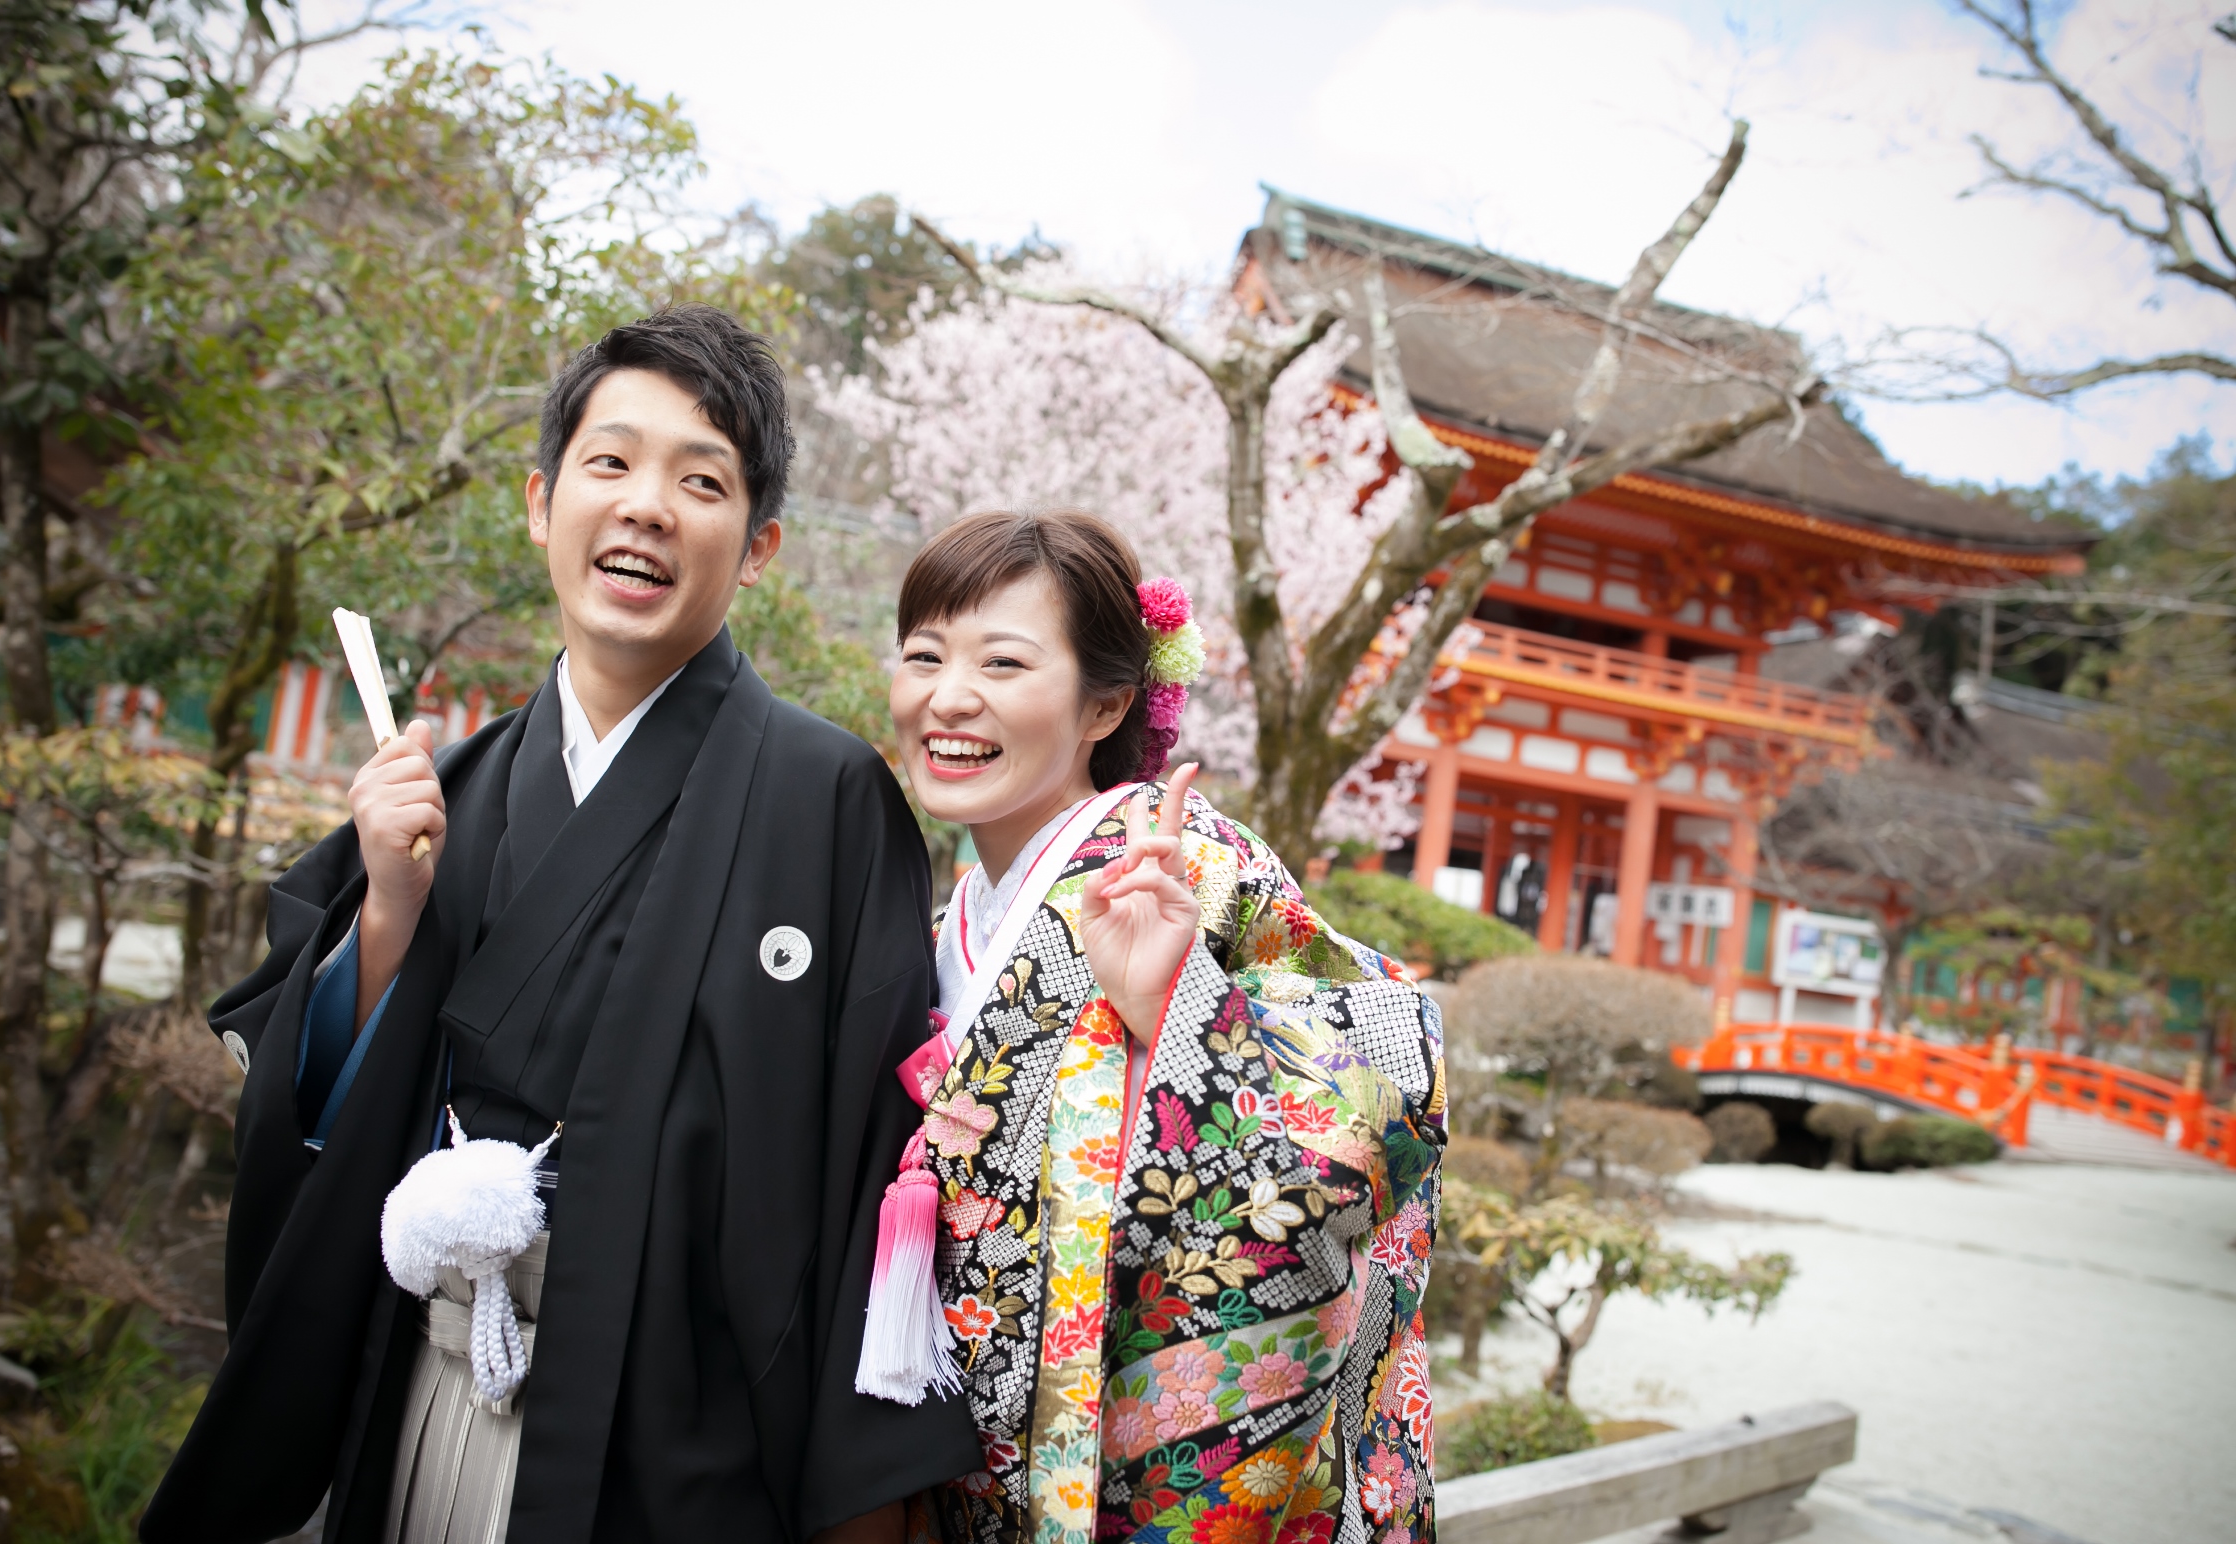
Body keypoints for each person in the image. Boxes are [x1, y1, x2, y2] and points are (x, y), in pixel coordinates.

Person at [142, 305, 977, 1544]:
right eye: (610, 462)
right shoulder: (453, 791)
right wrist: (388, 911)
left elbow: (875, 1171)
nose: (646, 505)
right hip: (425, 1384)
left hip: (679, 1446)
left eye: (701, 480)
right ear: (542, 503)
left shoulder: (830, 798)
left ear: (758, 547)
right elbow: (310, 1109)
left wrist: (863, 1495)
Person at [876, 510, 1444, 1544]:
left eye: (1002, 661)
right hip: (965, 1476)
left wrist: (1180, 1011)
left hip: (1150, 1476)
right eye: (924, 654)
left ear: (1106, 702)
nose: (947, 696)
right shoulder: (935, 921)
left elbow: (1384, 1107)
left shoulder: (1193, 869)